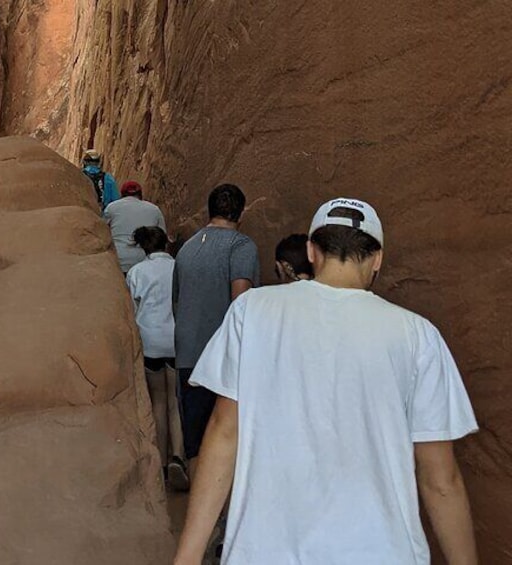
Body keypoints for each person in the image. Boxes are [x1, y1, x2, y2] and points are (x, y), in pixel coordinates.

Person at [175, 198, 479, 565]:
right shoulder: (418, 336)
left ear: (311, 251)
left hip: (266, 551)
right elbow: (440, 480)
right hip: (382, 553)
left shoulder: (252, 312)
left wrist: (188, 557)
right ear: (378, 258)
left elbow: (224, 433)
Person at [172, 184, 259, 479]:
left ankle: (203, 516)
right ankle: (225, 518)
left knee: (196, 442)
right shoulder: (241, 246)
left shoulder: (186, 249)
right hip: (225, 358)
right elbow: (241, 300)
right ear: (241, 213)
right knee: (228, 439)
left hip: (187, 354)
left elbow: (177, 301)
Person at [126, 226, 189, 491]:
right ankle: (178, 456)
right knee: (176, 401)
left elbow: (133, 307)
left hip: (151, 340)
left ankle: (161, 462)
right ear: (167, 243)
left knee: (158, 400)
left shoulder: (137, 271)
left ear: (143, 247)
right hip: (176, 339)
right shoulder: (180, 267)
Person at [103, 180, 166, 275]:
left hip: (119, 261)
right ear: (140, 194)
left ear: (122, 194)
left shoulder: (111, 207)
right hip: (145, 262)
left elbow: (102, 231)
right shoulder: (154, 209)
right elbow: (163, 237)